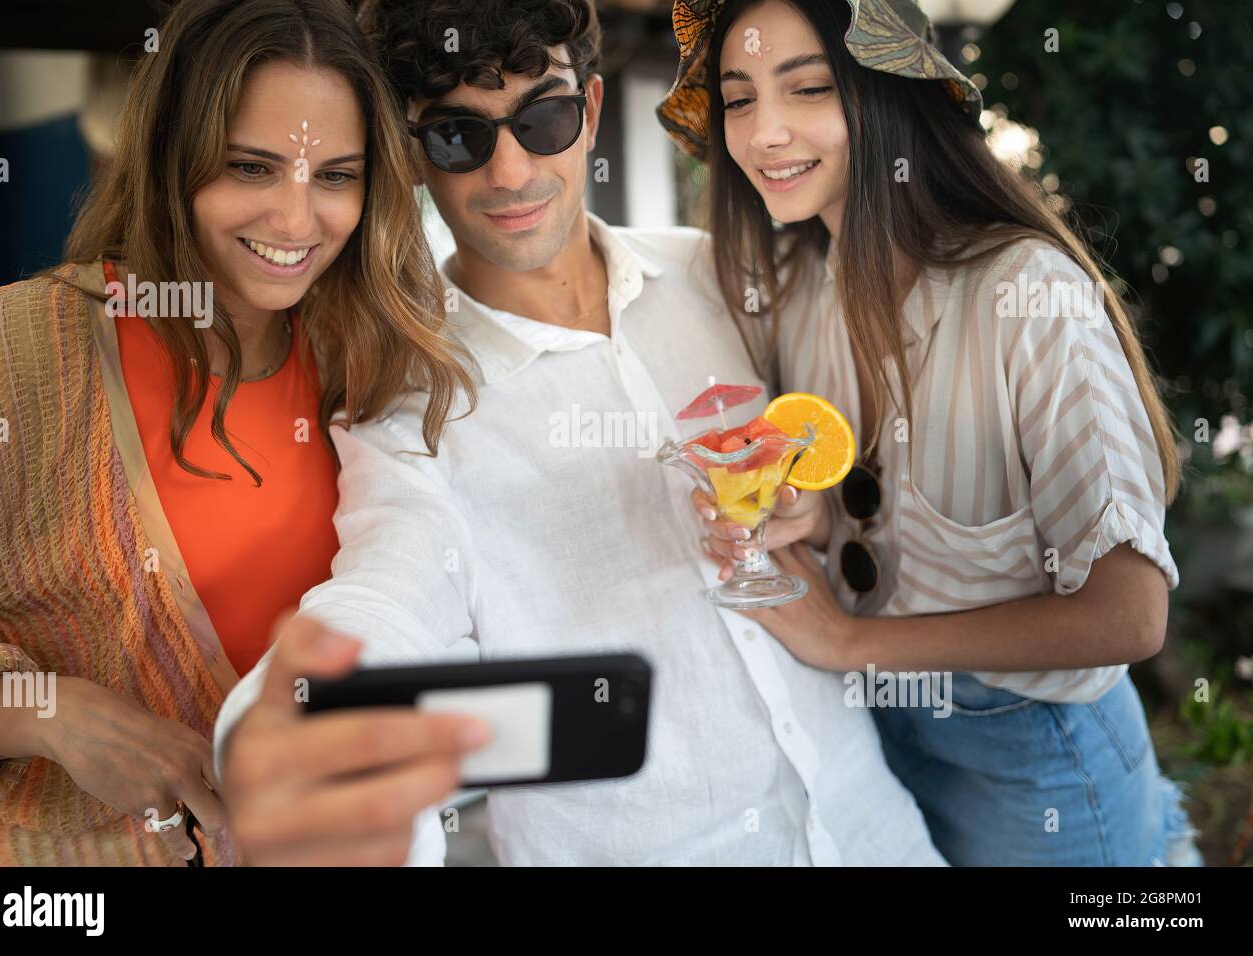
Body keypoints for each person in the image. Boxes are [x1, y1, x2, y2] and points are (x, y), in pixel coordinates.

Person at [215, 0, 944, 866]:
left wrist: (812, 515)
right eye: (459, 136)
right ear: (415, 158)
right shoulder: (407, 410)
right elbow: (385, 596)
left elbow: (867, 474)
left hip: (879, 837)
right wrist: (297, 726)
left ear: (591, 110)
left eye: (544, 117)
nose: (511, 171)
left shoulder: (722, 275)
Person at [664, 0, 1200, 865]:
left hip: (1035, 754)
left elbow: (1129, 615)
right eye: (737, 99)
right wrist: (809, 518)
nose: (765, 133)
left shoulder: (1026, 295)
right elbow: (881, 514)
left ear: (891, 93)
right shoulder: (796, 288)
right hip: (872, 732)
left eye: (808, 89)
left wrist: (848, 641)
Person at [0, 0, 473, 866]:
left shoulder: (375, 365)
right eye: (251, 167)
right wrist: (42, 711)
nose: (297, 221)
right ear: (170, 158)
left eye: (336, 176)